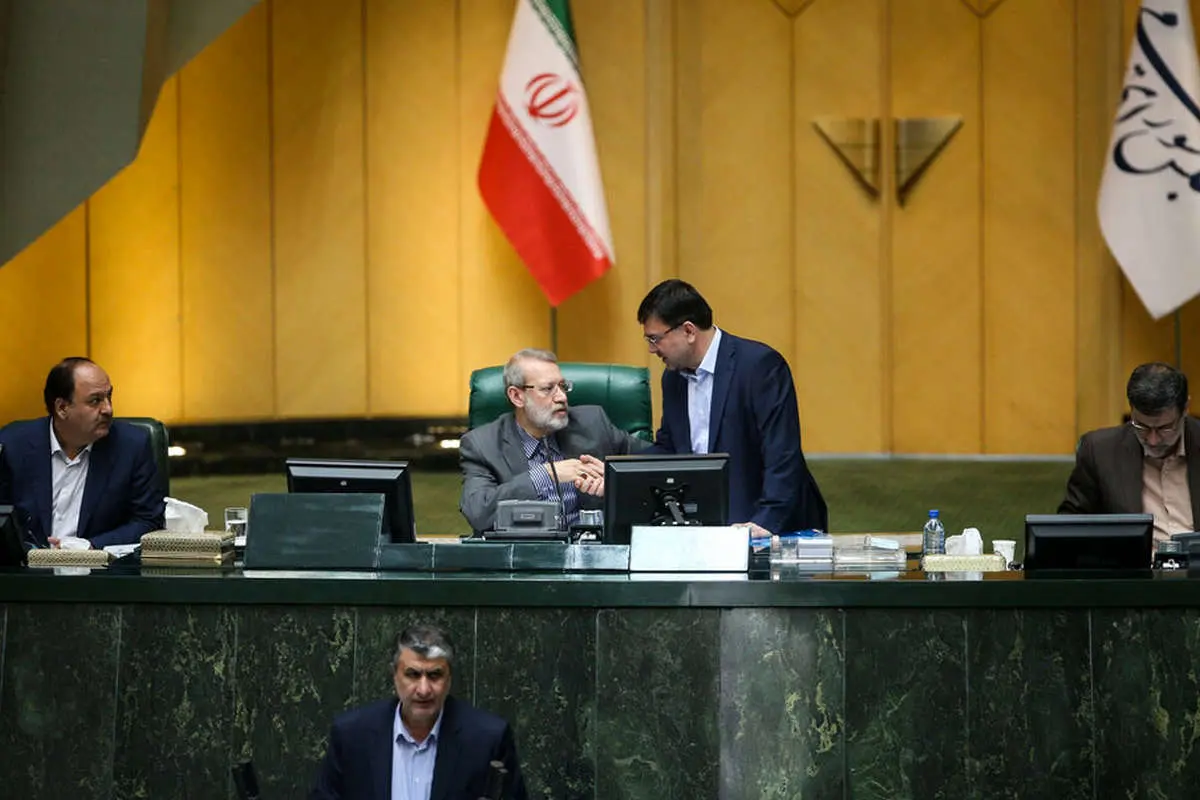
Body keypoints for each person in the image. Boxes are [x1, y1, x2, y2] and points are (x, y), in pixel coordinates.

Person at [637, 279, 827, 534]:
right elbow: (670, 448)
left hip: (767, 525)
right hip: (706, 524)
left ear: (689, 331)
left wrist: (765, 523)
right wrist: (616, 473)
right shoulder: (673, 379)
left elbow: (782, 456)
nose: (652, 349)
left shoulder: (759, 367)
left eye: (655, 339)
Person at [309, 624, 528, 800]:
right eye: (413, 674)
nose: (423, 690)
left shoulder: (488, 739)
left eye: (434, 676)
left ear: (449, 679)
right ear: (395, 676)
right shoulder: (352, 735)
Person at [458, 348, 648, 533]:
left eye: (563, 387)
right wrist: (545, 475)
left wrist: (615, 485)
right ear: (517, 396)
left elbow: (656, 466)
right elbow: (478, 512)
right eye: (548, 389)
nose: (562, 397)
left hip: (592, 548)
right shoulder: (482, 444)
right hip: (525, 550)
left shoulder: (593, 423)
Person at [0, 357, 164, 548]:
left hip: (97, 564)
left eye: (109, 397)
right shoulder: (13, 445)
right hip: (27, 564)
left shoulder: (131, 446)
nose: (108, 409)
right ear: (62, 408)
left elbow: (148, 521)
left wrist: (91, 546)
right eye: (95, 401)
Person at [1059, 362, 1200, 545]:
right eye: (1141, 426)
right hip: (1134, 562)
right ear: (1131, 409)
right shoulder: (1100, 451)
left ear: (1186, 409)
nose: (1153, 440)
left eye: (1165, 428)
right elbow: (1069, 525)